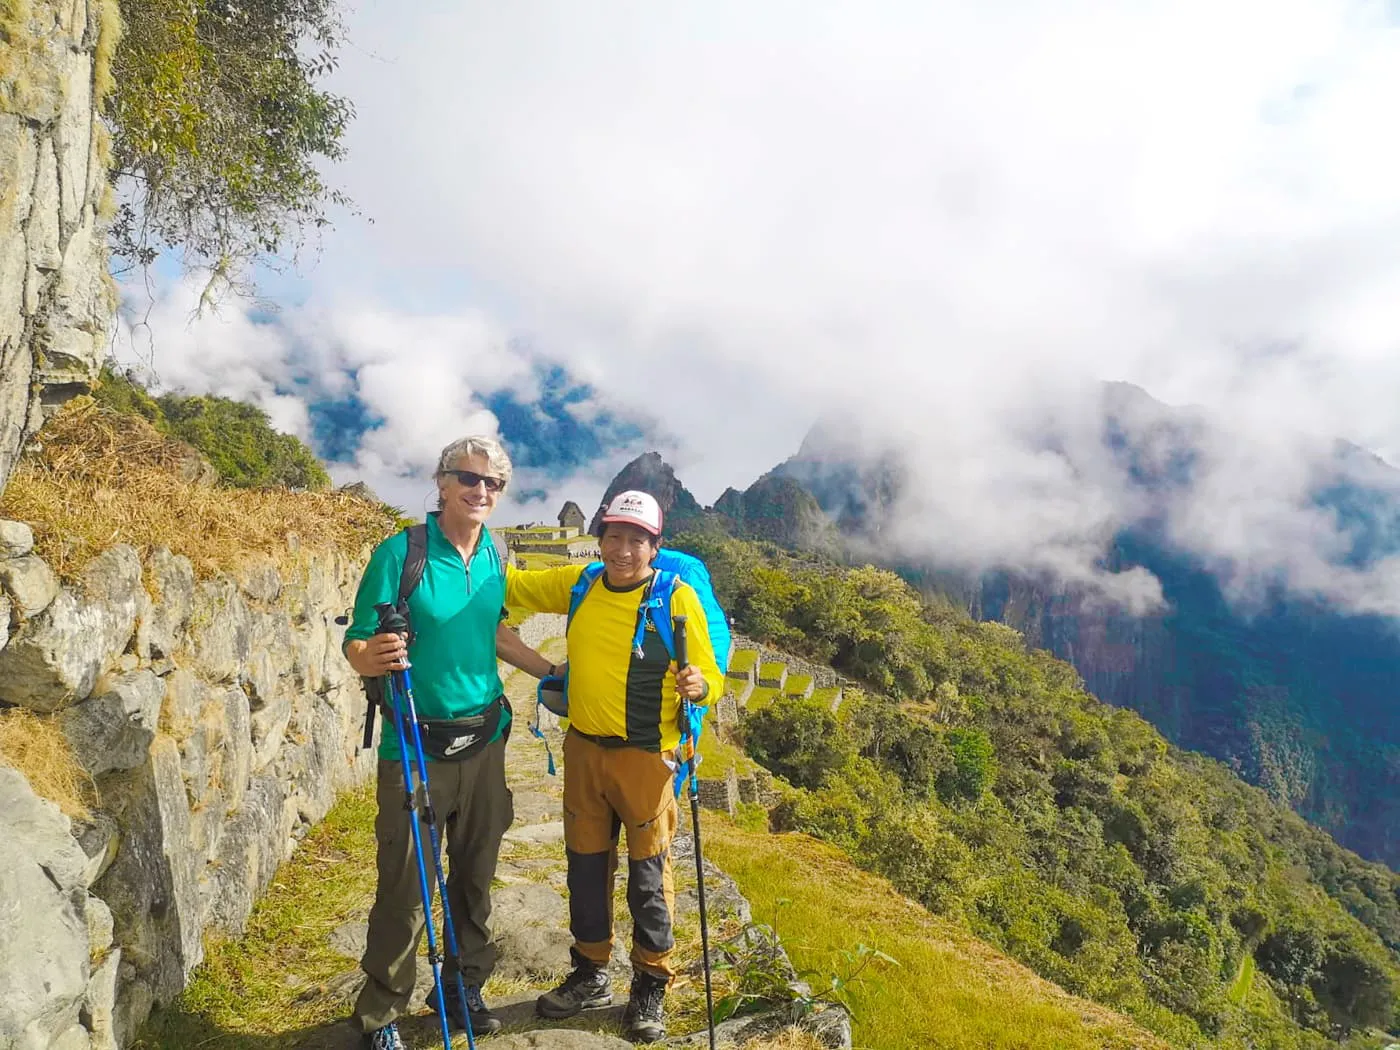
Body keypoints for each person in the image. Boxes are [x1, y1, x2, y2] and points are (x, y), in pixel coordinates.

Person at [342, 435, 551, 1050]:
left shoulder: (496, 555)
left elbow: (498, 634)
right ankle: (381, 1013)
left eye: (493, 484)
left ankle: (462, 988)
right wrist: (370, 656)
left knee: (475, 874)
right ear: (441, 482)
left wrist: (553, 673)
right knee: (407, 887)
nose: (480, 491)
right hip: (415, 744)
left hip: (484, 741)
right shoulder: (401, 554)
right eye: (469, 478)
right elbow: (358, 641)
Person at [499, 489, 725, 1043]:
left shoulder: (677, 599)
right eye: (615, 536)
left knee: (649, 879)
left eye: (637, 540)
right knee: (584, 867)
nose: (623, 549)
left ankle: (650, 982)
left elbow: (711, 676)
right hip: (584, 751)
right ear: (599, 538)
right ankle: (590, 971)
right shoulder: (579, 584)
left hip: (648, 759)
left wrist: (701, 684)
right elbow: (508, 583)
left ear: (655, 546)